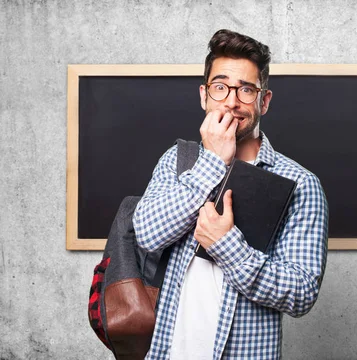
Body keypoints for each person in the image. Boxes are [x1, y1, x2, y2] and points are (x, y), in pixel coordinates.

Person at [133, 29, 329, 360]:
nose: (232, 101)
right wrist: (212, 162)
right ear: (204, 96)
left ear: (264, 101)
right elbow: (148, 235)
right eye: (220, 87)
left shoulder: (299, 183)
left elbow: (302, 293)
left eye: (247, 90)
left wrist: (227, 247)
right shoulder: (178, 161)